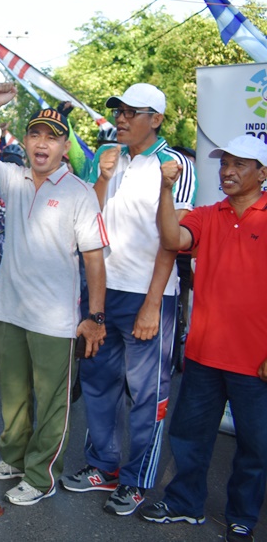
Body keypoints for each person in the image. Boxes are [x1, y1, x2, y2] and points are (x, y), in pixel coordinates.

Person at [0, 84, 108, 506]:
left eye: (52, 136)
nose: (42, 143)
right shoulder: (14, 180)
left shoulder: (80, 193)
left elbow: (94, 260)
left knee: (50, 404)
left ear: (65, 147)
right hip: (10, 311)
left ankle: (41, 476)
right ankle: (13, 458)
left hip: (55, 320)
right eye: (35, 135)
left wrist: (95, 317)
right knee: (13, 395)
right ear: (26, 142)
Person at [63, 83, 196, 516]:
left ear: (155, 118)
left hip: (148, 294)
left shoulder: (173, 164)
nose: (120, 118)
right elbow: (88, 218)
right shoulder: (110, 156)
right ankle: (103, 466)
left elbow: (172, 239)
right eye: (117, 110)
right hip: (103, 290)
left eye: (130, 112)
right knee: (99, 383)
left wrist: (154, 303)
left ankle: (138, 481)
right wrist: (101, 177)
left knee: (146, 393)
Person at [138, 135, 267, 542]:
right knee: (190, 437)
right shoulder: (209, 215)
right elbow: (172, 239)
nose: (227, 171)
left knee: (255, 447)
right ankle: (185, 504)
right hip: (204, 353)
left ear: (262, 174)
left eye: (239, 164)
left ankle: (242, 515)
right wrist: (165, 189)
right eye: (224, 163)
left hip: (255, 360)